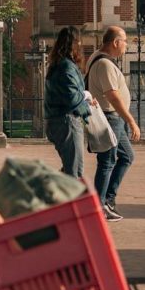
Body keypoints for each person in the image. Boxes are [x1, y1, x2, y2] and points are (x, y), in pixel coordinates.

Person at [86, 26, 141, 221]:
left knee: (126, 157)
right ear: (115, 43)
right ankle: (100, 207)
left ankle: (108, 200)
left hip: (113, 119)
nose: (127, 45)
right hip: (110, 117)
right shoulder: (105, 64)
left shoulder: (97, 58)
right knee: (107, 162)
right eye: (125, 41)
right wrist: (131, 121)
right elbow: (113, 96)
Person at [44, 25, 92, 179]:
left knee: (69, 168)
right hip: (67, 121)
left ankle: (56, 197)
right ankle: (67, 201)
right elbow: (72, 98)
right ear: (74, 43)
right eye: (78, 42)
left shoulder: (57, 65)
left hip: (59, 121)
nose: (80, 45)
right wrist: (86, 96)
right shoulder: (66, 67)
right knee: (75, 172)